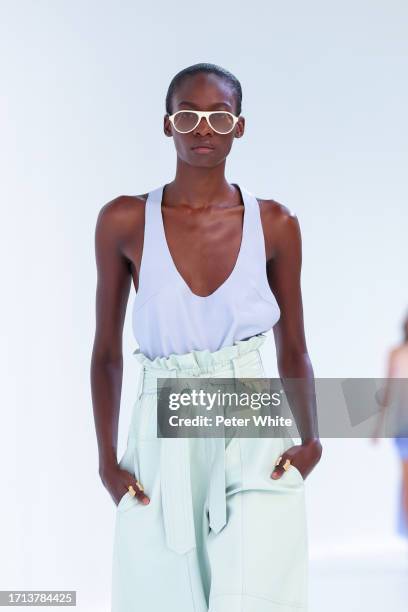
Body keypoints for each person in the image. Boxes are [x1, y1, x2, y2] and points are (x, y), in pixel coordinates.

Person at [91, 62, 322, 612]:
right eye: (189, 115)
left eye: (219, 116)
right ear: (167, 124)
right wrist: (105, 460)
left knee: (254, 598)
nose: (203, 129)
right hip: (161, 430)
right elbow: (105, 353)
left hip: (252, 421)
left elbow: (295, 345)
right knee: (163, 598)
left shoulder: (277, 223)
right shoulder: (123, 221)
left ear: (239, 126)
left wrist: (313, 440)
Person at [372, 311, 408, 540]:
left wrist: (378, 427)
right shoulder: (395, 353)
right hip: (402, 425)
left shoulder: (396, 353)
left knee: (406, 479)